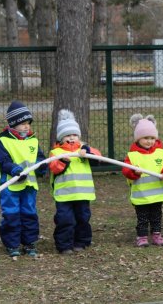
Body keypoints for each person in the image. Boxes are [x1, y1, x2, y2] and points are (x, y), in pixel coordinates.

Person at [0, 101, 47, 257]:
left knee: (29, 213)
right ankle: (12, 244)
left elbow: (40, 158)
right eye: (22, 123)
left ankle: (29, 243)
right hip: (10, 187)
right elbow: (3, 161)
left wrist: (41, 167)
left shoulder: (33, 141)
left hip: (29, 186)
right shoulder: (3, 141)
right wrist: (14, 169)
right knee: (11, 215)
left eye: (28, 123)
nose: (26, 126)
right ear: (13, 124)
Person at [48, 109, 102, 254]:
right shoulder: (57, 153)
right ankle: (64, 245)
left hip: (82, 194)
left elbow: (98, 156)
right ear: (61, 138)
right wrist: (63, 161)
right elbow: (54, 168)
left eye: (74, 135)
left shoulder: (83, 149)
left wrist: (87, 152)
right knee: (65, 219)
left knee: (83, 218)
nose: (71, 138)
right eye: (67, 136)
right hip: (65, 195)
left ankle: (81, 242)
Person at [122, 114, 163, 247]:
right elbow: (126, 171)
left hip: (157, 195)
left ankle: (157, 235)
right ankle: (142, 236)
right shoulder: (133, 155)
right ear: (138, 139)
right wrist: (134, 172)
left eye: (152, 138)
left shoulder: (161, 153)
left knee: (156, 216)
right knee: (142, 217)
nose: (149, 141)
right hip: (141, 195)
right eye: (146, 138)